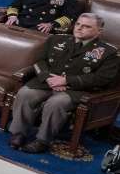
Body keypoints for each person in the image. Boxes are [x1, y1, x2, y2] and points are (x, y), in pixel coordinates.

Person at [8, 13, 118, 154]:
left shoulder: (108, 52)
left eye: (86, 26)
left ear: (99, 31)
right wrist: (47, 77)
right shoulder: (57, 39)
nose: (79, 28)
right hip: (46, 83)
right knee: (25, 93)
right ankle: (19, 133)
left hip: (75, 90)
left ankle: (42, 140)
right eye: (78, 24)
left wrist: (67, 80)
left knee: (55, 104)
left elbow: (102, 78)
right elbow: (40, 61)